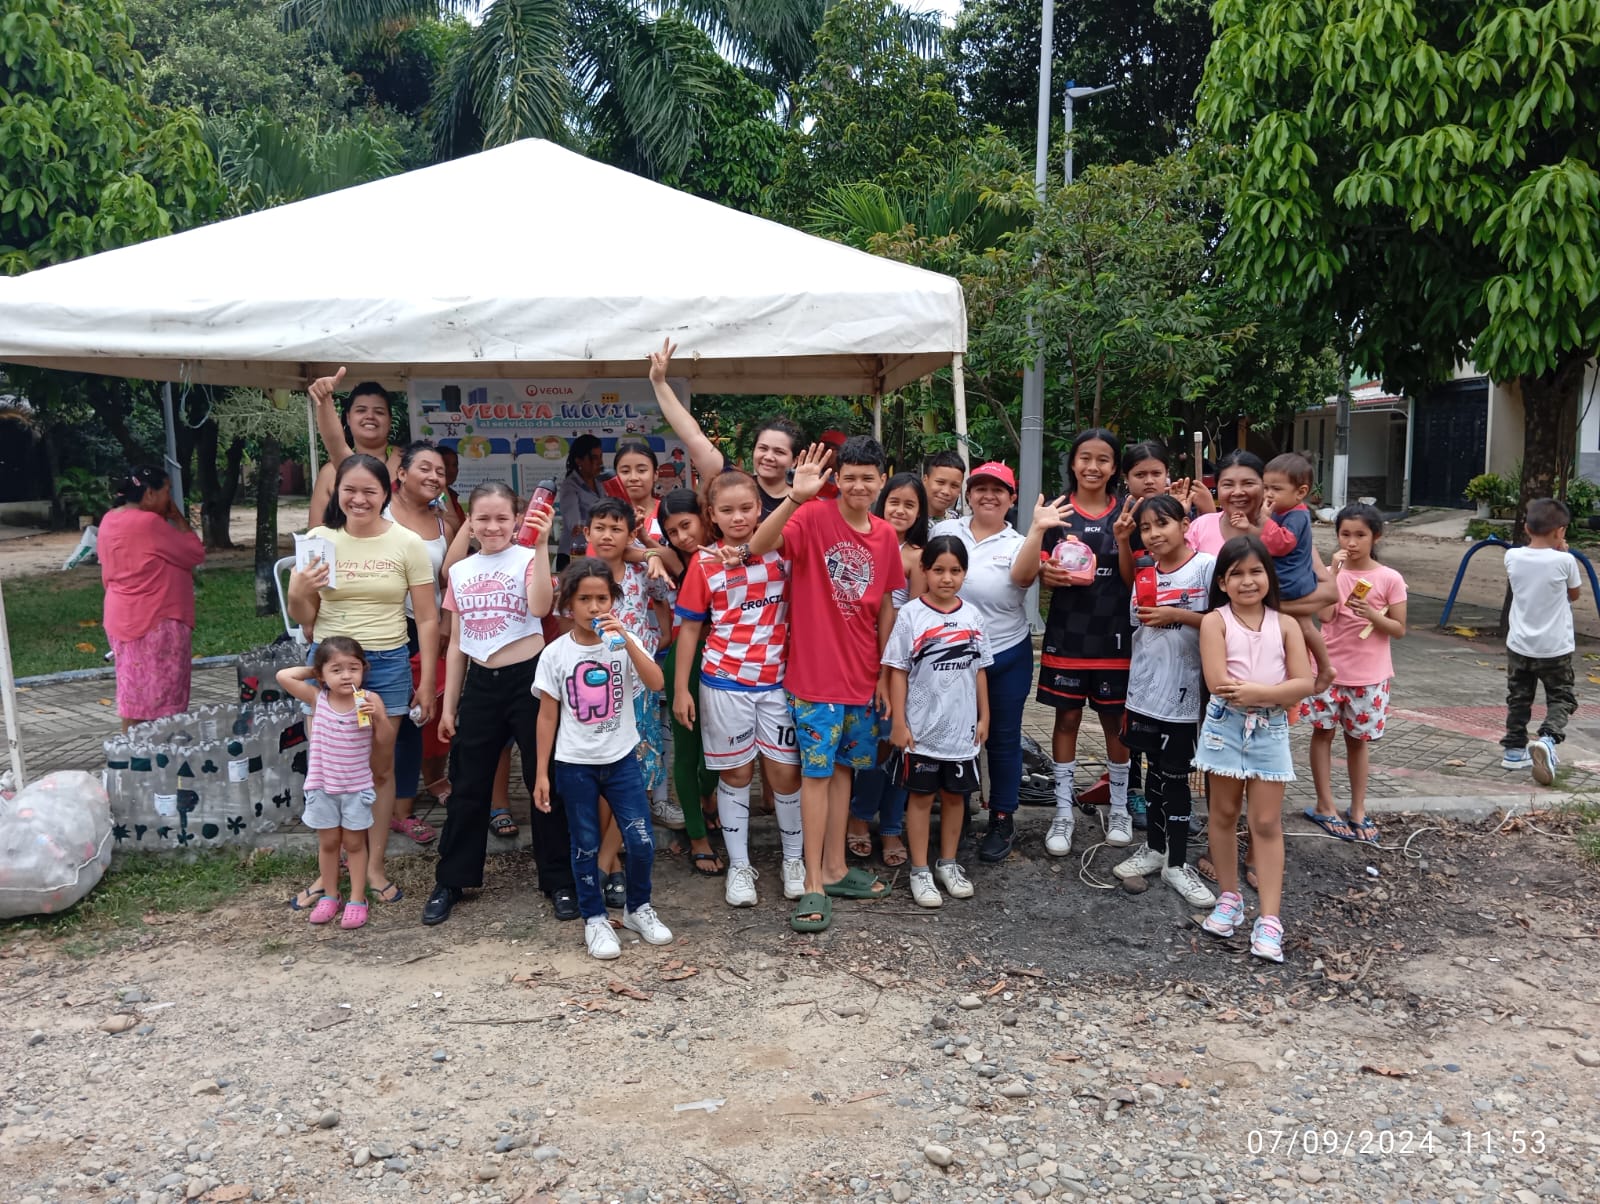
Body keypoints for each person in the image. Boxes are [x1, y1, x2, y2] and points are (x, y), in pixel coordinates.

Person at [743, 437, 905, 932]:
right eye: (849, 476)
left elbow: (885, 608)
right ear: (839, 480)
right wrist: (795, 495)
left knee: (843, 774)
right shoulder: (811, 517)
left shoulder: (885, 536)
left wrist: (881, 672)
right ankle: (813, 882)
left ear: (881, 480)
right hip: (813, 680)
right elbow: (758, 545)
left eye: (867, 477)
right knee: (816, 777)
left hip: (861, 679)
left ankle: (835, 868)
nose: (858, 485)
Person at [286, 454, 440, 910]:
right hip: (332, 663)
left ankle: (373, 866)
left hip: (388, 663)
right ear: (337, 494)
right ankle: (329, 870)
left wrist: (427, 680)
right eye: (349, 490)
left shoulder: (407, 543)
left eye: (369, 491)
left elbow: (428, 619)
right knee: (329, 765)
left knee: (379, 768)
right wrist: (297, 591)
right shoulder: (320, 540)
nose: (359, 499)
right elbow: (307, 620)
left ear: (385, 494)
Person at [425, 483, 577, 925]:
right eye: (483, 519)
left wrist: (544, 542)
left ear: (516, 521)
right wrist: (449, 705)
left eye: (502, 519)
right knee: (467, 784)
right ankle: (452, 879)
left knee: (543, 781)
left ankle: (559, 880)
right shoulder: (461, 572)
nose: (492, 527)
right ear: (470, 523)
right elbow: (456, 644)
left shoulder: (530, 559)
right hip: (480, 684)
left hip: (530, 681)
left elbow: (542, 606)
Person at [673, 470, 805, 907]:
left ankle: (793, 860)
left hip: (779, 683)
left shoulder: (783, 548)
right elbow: (689, 630)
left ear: (761, 509)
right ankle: (740, 867)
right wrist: (681, 690)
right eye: (726, 510)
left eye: (747, 508)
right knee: (736, 775)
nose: (738, 517)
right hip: (724, 682)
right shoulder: (704, 562)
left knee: (785, 774)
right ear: (711, 514)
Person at [533, 558, 673, 961]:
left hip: (622, 758)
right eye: (584, 599)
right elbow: (546, 715)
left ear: (613, 601)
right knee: (585, 844)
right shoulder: (555, 654)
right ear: (568, 605)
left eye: (602, 599)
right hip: (574, 763)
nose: (594, 608)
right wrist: (542, 772)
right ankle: (593, 917)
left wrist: (626, 639)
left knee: (641, 841)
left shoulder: (624, 642)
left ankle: (638, 908)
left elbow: (656, 682)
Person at [931, 463, 1064, 860]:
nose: (988, 495)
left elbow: (1024, 580)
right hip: (948, 655)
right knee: (950, 735)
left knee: (1003, 739)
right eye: (980, 488)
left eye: (999, 490)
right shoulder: (944, 532)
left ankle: (1002, 817)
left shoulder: (1018, 541)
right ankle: (956, 811)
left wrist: (1039, 530)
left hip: (1005, 653)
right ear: (967, 495)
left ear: (1012, 498)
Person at [1195, 535, 1315, 964]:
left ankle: (1269, 919)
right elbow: (1217, 684)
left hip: (1271, 730)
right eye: (1237, 574)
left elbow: (1305, 683)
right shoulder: (1215, 622)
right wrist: (1277, 693)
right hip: (1224, 728)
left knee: (1265, 821)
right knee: (1223, 814)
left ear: (1269, 575)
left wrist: (1262, 693)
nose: (1248, 581)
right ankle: (1229, 898)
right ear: (1223, 583)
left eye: (1256, 571)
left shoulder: (1284, 624)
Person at [1111, 496, 1216, 906]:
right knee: (1153, 774)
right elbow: (1142, 632)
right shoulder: (1144, 573)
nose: (1153, 535)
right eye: (1146, 528)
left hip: (1185, 696)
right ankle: (1155, 849)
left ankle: (1178, 863)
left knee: (1175, 780)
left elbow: (1226, 621)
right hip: (1144, 694)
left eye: (1162, 524)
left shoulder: (1206, 568)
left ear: (1185, 523)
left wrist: (1180, 615)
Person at [1037, 430, 1136, 853]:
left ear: (1115, 467)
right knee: (1067, 721)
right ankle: (1062, 812)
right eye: (1085, 458)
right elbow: (1037, 568)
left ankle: (1120, 809)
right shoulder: (1056, 512)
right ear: (1072, 463)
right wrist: (1047, 575)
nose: (1093, 467)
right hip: (1067, 635)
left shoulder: (1128, 512)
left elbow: (1135, 580)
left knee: (1117, 724)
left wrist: (1126, 538)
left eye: (1103, 459)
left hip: (1117, 637)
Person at [885, 536, 992, 909]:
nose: (947, 578)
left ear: (965, 573)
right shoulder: (911, 615)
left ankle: (948, 863)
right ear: (925, 571)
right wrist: (899, 721)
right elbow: (897, 671)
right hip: (922, 731)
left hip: (961, 730)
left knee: (955, 797)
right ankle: (919, 870)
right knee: (920, 797)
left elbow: (979, 670)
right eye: (939, 570)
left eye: (956, 571)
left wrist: (985, 715)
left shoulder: (973, 617)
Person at [1305, 504, 1408, 843]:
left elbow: (1398, 629)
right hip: (1329, 671)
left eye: (1360, 535)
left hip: (1369, 676)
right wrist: (1332, 574)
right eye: (1345, 534)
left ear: (1375, 537)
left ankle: (1359, 809)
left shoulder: (1389, 578)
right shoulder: (1334, 573)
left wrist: (1373, 616)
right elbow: (1326, 617)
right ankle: (1324, 804)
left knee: (1358, 742)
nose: (1351, 542)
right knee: (1322, 734)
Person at [845, 472, 930, 866]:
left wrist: (901, 666)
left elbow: (914, 615)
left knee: (900, 744)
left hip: (902, 665)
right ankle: (860, 818)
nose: (900, 510)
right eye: (895, 501)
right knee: (871, 744)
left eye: (910, 505)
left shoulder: (917, 556)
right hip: (860, 658)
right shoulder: (864, 541)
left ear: (919, 512)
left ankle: (892, 825)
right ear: (882, 500)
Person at [276, 639, 389, 930]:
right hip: (322, 787)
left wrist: (379, 720)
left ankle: (356, 898)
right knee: (328, 843)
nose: (346, 676)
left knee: (353, 843)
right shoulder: (317, 698)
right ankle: (329, 894)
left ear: (364, 669)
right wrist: (315, 673)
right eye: (336, 670)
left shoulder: (370, 700)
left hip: (356, 787)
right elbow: (283, 676)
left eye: (353, 668)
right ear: (322, 674)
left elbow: (386, 741)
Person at [385, 441, 461, 847]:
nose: (434, 477)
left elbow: (451, 581)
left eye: (441, 473)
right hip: (386, 630)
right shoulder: (378, 515)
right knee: (393, 721)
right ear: (401, 473)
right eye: (425, 469)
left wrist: (448, 622)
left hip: (431, 627)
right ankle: (394, 806)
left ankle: (433, 779)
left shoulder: (445, 522)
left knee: (429, 710)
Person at [96, 465, 206, 729]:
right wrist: (179, 519)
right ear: (148, 493)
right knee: (163, 698)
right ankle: (161, 755)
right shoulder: (149, 523)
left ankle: (133, 754)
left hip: (121, 616)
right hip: (157, 619)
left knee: (134, 694)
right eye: (166, 491)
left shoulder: (109, 519)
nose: (169, 498)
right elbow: (193, 553)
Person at [648, 338, 803, 517]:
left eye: (779, 452)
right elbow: (693, 435)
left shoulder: (803, 501)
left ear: (795, 460)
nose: (768, 457)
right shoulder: (730, 483)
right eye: (763, 448)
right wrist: (659, 383)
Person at [657, 489, 725, 876]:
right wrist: (652, 552)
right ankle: (697, 837)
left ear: (703, 516)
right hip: (686, 662)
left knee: (719, 750)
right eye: (672, 532)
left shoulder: (731, 550)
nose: (681, 537)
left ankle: (705, 796)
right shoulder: (673, 557)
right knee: (686, 750)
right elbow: (642, 552)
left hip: (727, 662)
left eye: (686, 525)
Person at [1500, 498, 1582, 785]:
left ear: (1526, 527)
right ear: (1561, 531)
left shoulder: (1512, 557)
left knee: (1519, 697)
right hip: (1555, 647)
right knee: (1562, 696)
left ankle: (1512, 750)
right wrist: (1563, 552)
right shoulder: (1565, 561)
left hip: (1519, 644)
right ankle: (1547, 739)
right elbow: (1574, 594)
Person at [1260, 453, 1336, 692]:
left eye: (1276, 489)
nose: (1269, 494)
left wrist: (1264, 521)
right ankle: (1320, 668)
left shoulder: (1297, 515)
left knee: (1303, 626)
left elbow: (1283, 543)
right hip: (1289, 578)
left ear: (1300, 492)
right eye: (1266, 487)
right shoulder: (1285, 511)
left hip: (1290, 582)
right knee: (1301, 627)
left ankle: (1323, 668)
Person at [308, 370, 400, 525]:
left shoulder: (412, 462)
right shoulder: (330, 472)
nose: (370, 416)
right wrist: (324, 399)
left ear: (390, 420)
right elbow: (315, 535)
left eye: (379, 412)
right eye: (361, 410)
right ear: (348, 418)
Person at [557, 434, 605, 564]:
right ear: (579, 460)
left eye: (600, 457)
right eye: (594, 458)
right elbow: (575, 525)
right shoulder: (570, 486)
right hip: (573, 554)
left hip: (595, 552)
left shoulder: (601, 483)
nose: (600, 463)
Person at [922, 451, 966, 523]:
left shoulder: (960, 524)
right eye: (940, 482)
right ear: (925, 480)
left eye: (954, 486)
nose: (946, 491)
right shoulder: (908, 521)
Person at [437, 445, 467, 526]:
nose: (451, 470)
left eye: (455, 465)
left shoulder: (451, 495)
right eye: (446, 465)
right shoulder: (431, 497)